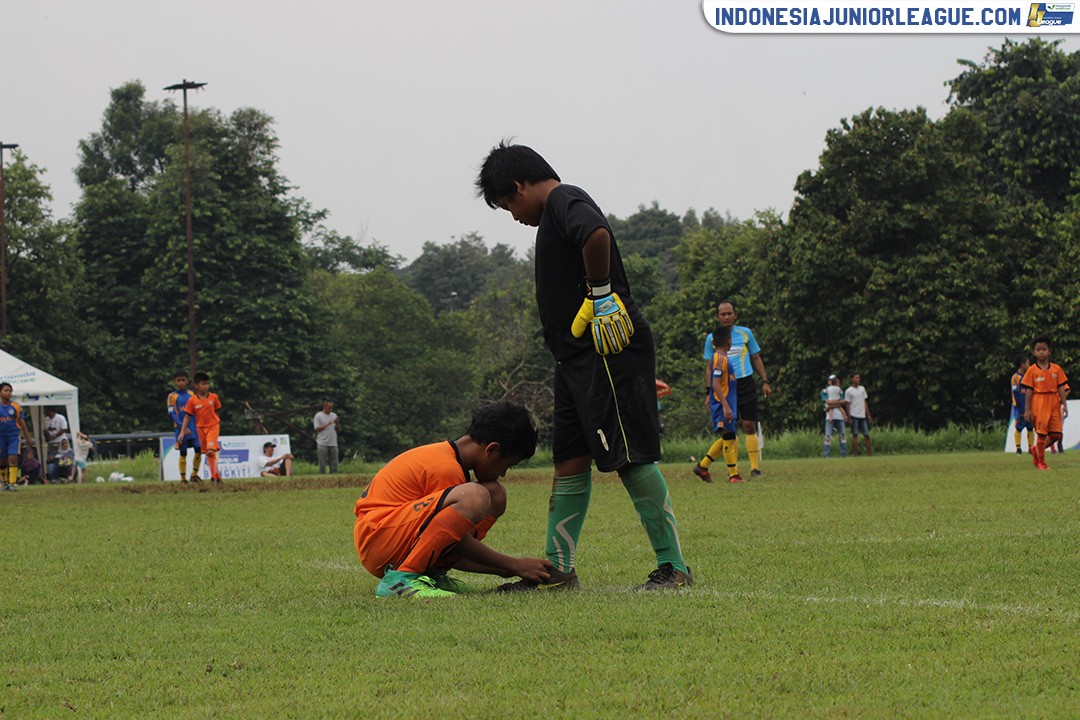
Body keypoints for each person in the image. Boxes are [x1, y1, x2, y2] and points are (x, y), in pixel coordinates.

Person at [477, 141, 691, 590]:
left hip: (602, 351)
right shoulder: (552, 214)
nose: (513, 216)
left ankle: (674, 567)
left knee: (630, 456)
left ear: (518, 186)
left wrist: (600, 293)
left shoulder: (563, 199)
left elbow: (597, 234)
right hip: (574, 360)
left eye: (507, 205)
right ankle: (559, 571)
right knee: (570, 462)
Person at [353, 400, 553, 598]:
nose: (503, 474)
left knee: (495, 494)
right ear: (491, 449)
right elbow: (459, 543)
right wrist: (513, 565)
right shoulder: (445, 468)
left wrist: (504, 568)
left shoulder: (452, 461)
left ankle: (430, 575)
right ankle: (402, 579)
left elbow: (444, 539)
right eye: (507, 465)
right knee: (475, 496)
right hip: (378, 540)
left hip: (391, 537)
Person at [702, 301, 771, 478]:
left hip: (745, 382)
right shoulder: (712, 338)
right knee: (729, 429)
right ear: (717, 317)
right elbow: (710, 366)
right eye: (723, 314)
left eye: (729, 313)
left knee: (749, 424)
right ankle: (733, 471)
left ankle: (755, 468)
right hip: (724, 387)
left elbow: (756, 357)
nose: (726, 317)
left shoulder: (745, 333)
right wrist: (708, 392)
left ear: (735, 314)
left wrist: (765, 380)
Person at [693, 325, 742, 483]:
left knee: (731, 437)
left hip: (725, 402)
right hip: (723, 403)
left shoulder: (716, 358)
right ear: (730, 341)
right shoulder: (720, 359)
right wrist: (726, 405)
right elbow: (715, 383)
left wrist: (709, 396)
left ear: (713, 342)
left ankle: (703, 466)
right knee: (728, 436)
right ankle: (733, 475)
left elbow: (711, 376)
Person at [1021, 337, 1069, 471]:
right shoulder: (1031, 370)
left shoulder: (1056, 369)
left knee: (1056, 435)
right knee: (1041, 434)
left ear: (1049, 351)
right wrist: (1027, 410)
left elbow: (1062, 387)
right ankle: (1041, 462)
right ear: (1034, 352)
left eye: (1044, 349)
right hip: (1039, 401)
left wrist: (1064, 404)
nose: (1041, 352)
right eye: (1038, 350)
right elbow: (1029, 391)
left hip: (1054, 401)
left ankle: (1036, 450)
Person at [178, 372, 223, 486]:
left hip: (213, 427)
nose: (206, 386)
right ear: (196, 386)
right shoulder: (192, 400)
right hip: (200, 429)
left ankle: (213, 478)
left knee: (210, 451)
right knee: (208, 454)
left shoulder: (214, 397)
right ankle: (218, 477)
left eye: (207, 384)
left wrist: (216, 423)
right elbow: (187, 416)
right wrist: (182, 432)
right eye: (203, 384)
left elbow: (217, 411)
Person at [167, 370, 202, 483]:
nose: (181, 382)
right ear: (175, 382)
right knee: (183, 453)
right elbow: (172, 413)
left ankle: (194, 475)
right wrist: (182, 427)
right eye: (178, 380)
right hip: (181, 429)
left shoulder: (192, 394)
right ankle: (183, 479)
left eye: (183, 380)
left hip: (194, 428)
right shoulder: (172, 396)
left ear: (187, 381)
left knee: (198, 450)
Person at [0, 382, 33, 491]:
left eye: (10, 391)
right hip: (1, 437)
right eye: (6, 390)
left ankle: (13, 483)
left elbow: (22, 422)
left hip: (13, 436)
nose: (8, 393)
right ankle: (4, 483)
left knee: (13, 458)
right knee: (3, 460)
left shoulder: (15, 406)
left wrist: (27, 436)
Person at [1010, 355, 1035, 454]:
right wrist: (1020, 407)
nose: (1029, 365)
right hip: (1020, 408)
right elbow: (1015, 393)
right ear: (1022, 364)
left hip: (1029, 407)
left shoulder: (1029, 376)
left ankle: (1031, 448)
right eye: (1028, 363)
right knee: (1019, 427)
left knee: (1030, 427)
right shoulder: (1015, 377)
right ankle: (1018, 448)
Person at [845, 373, 873, 457]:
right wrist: (849, 417)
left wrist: (868, 415)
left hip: (862, 415)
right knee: (855, 434)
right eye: (856, 378)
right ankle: (856, 454)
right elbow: (847, 404)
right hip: (854, 415)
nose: (858, 379)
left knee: (866, 434)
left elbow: (865, 402)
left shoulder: (862, 389)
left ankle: (870, 454)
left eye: (859, 378)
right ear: (852, 379)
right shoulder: (848, 391)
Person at [822, 375, 848, 458]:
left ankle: (843, 454)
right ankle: (827, 455)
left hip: (839, 416)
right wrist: (837, 403)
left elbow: (843, 401)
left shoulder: (839, 390)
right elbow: (827, 401)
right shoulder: (825, 390)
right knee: (828, 435)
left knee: (842, 435)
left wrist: (831, 405)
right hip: (830, 416)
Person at [313, 401, 341, 474]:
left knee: (334, 461)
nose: (331, 410)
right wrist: (329, 423)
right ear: (325, 407)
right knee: (322, 461)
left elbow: (337, 429)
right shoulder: (318, 415)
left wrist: (337, 424)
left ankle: (334, 474)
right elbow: (317, 428)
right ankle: (323, 474)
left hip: (333, 442)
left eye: (332, 408)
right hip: (322, 442)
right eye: (329, 408)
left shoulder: (334, 415)